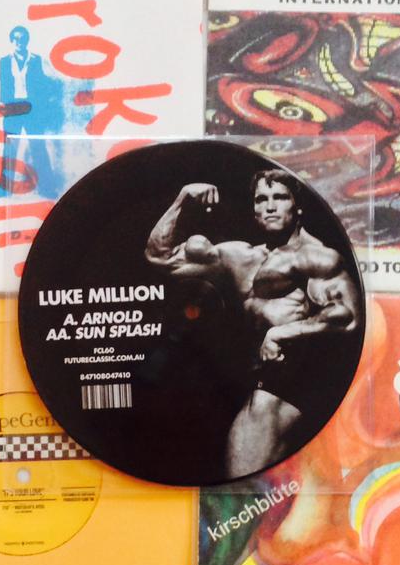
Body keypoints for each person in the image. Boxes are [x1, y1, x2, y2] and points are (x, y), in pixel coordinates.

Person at [146, 169, 360, 476]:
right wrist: (184, 197)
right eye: (261, 199)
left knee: (243, 481)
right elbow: (160, 257)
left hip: (291, 388)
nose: (270, 206)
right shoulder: (241, 256)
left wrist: (282, 333)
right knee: (260, 486)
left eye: (280, 198)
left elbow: (348, 317)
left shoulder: (317, 257)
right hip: (261, 383)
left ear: (297, 206)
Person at [0, 26, 62, 198]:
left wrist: (43, 101)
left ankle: (47, 188)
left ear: (27, 40)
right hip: (12, 110)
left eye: (22, 39)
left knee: (38, 147)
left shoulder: (37, 60)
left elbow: (54, 82)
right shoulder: (3, 61)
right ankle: (3, 189)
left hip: (32, 110)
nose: (19, 42)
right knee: (9, 149)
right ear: (11, 41)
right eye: (16, 39)